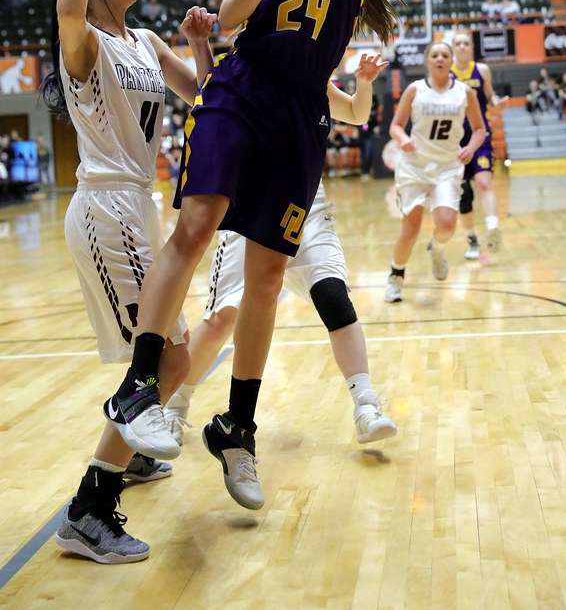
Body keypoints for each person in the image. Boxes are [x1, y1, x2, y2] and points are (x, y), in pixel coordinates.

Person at [99, 0, 548, 504]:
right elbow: (228, 19)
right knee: (200, 221)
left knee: (271, 277)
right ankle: (142, 382)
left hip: (302, 109)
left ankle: (236, 430)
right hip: (243, 90)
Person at [40, 0, 216, 564]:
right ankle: (89, 509)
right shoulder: (81, 41)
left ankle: (127, 457)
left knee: (172, 358)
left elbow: (203, 96)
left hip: (141, 208)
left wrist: (202, 42)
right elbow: (66, 8)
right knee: (166, 360)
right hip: (104, 209)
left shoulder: (143, 42)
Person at [164, 55, 397, 476]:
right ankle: (176, 407)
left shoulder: (307, 71)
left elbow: (358, 114)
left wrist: (363, 82)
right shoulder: (236, 68)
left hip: (305, 207)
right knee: (222, 319)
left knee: (333, 296)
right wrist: (199, 44)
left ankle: (365, 405)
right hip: (247, 211)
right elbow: (203, 94)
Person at [385, 39, 485, 302]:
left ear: (451, 61)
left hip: (447, 167)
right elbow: (395, 125)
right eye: (435, 55)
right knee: (411, 228)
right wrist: (402, 139)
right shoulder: (415, 89)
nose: (440, 59)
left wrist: (471, 148)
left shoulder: (464, 92)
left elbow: (479, 129)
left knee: (447, 225)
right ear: (427, 61)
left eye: (445, 55)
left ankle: (437, 250)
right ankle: (396, 275)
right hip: (415, 166)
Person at [451, 29, 509, 255]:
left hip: (480, 136)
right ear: (454, 48)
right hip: (455, 141)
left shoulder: (482, 70)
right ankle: (471, 239)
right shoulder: (447, 73)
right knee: (464, 192)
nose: (463, 47)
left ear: (471, 48)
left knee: (485, 183)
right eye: (459, 43)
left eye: (466, 43)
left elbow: (490, 97)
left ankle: (493, 228)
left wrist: (498, 103)